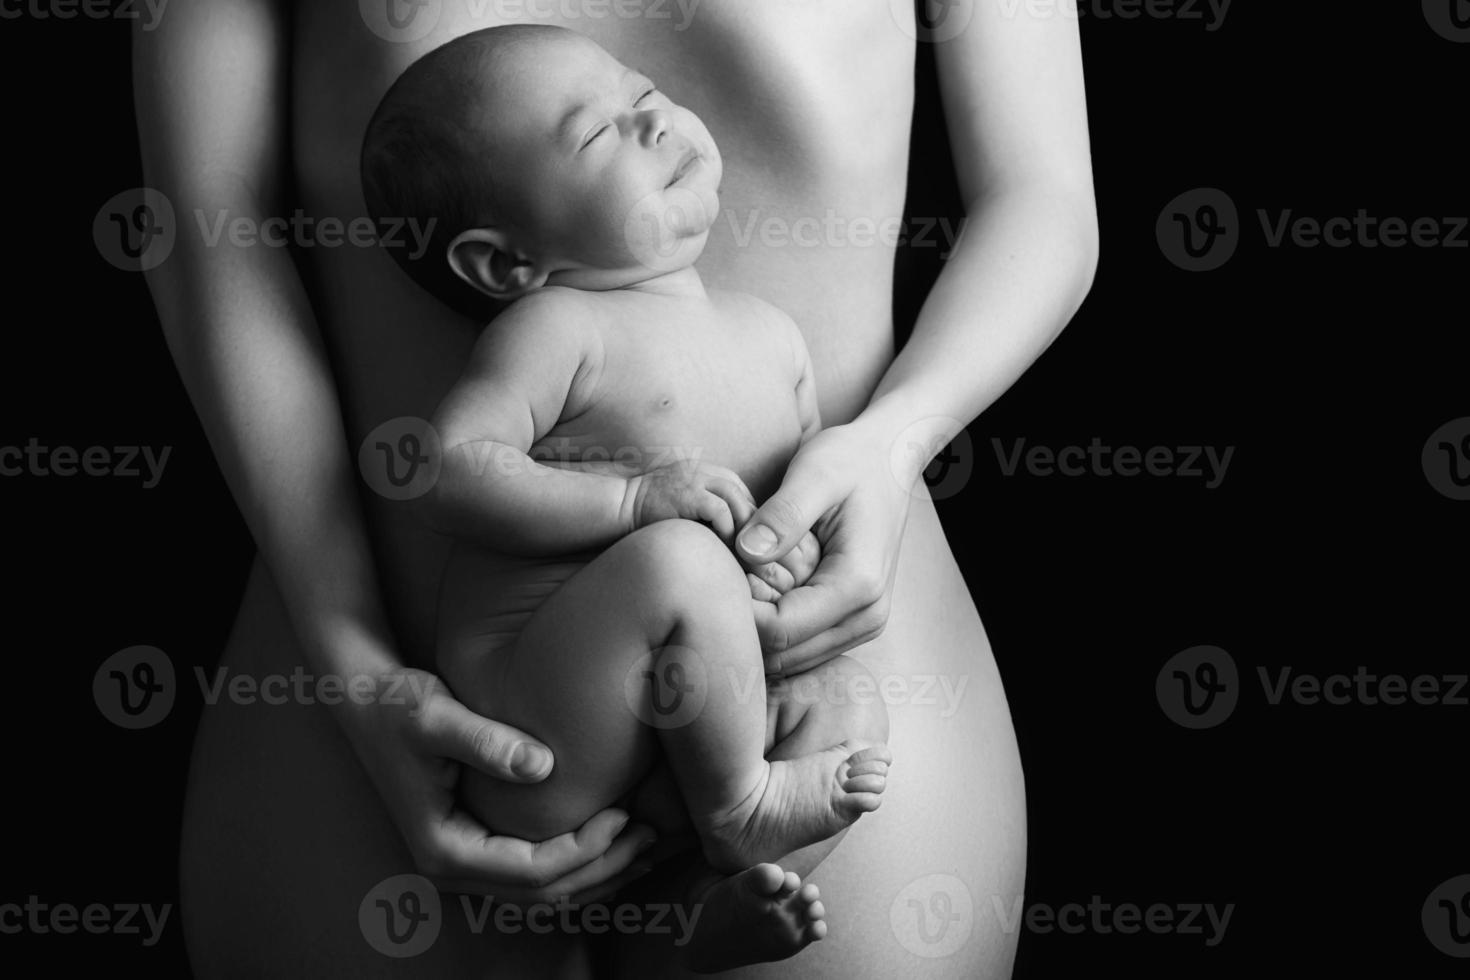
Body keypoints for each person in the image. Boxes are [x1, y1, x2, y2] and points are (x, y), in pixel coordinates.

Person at [136, 1, 1096, 975]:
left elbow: (1042, 195)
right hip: (404, 688)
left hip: (824, 646)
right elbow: (212, 236)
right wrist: (355, 661)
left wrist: (893, 446)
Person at [359, 25, 892, 969]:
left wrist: (794, 555)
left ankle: (680, 928)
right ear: (505, 263)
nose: (650, 120)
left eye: (640, 92)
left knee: (850, 703)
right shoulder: (561, 325)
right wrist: (633, 504)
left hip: (715, 702)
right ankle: (737, 809)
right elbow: (451, 466)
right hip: (553, 710)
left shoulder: (770, 335)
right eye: (597, 134)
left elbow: (793, 503)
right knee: (679, 559)